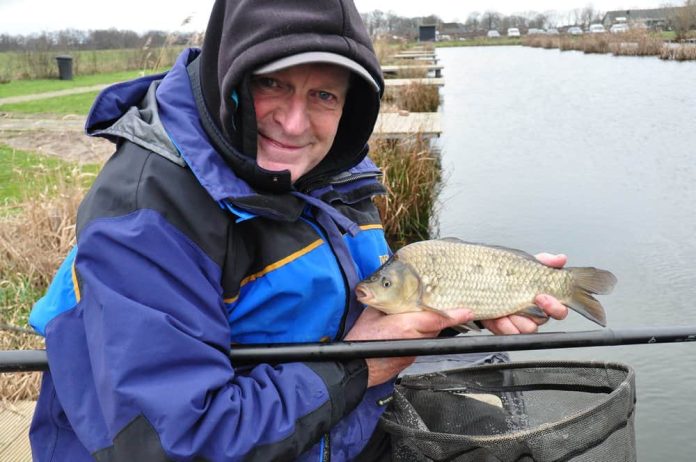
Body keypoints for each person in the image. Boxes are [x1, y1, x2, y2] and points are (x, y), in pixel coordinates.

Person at [27, 0, 568, 460]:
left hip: (337, 432)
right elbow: (172, 443)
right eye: (272, 84)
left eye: (324, 96)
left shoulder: (332, 169)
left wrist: (458, 309)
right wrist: (359, 367)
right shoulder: (146, 217)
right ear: (228, 79)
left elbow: (362, 308)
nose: (294, 123)